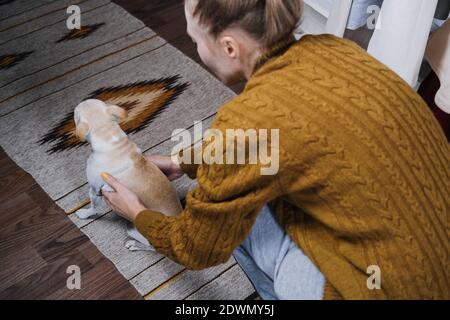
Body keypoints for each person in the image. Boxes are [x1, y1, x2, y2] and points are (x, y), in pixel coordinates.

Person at [101, 0, 449, 299]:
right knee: (259, 177)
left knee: (223, 210)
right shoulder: (334, 47)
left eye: (196, 41)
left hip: (385, 289)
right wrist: (183, 160)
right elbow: (284, 133)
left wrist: (138, 214)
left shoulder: (248, 122)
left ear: (229, 47)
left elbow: (198, 246)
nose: (197, 49)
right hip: (435, 266)